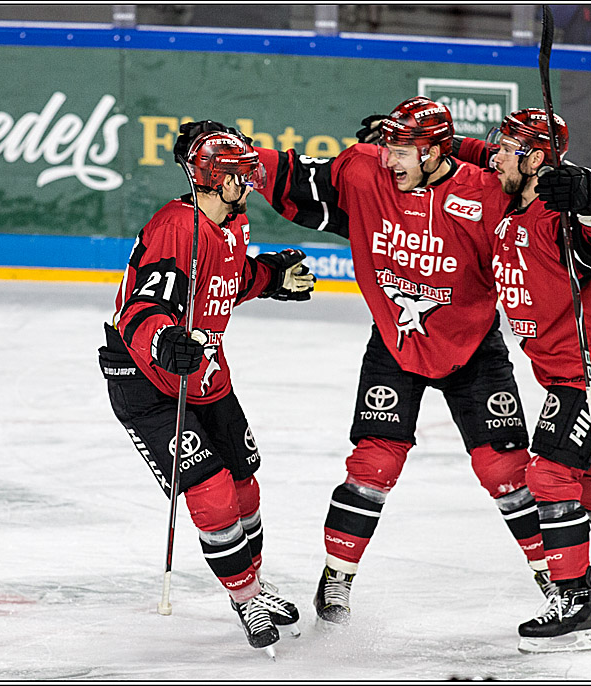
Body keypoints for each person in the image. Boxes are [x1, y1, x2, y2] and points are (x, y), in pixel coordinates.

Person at [220, 97, 552, 625]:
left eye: (404, 149)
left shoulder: (486, 193)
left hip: (472, 344)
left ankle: (553, 577)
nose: (390, 159)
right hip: (396, 341)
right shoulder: (363, 170)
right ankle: (335, 579)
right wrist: (234, 155)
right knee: (374, 464)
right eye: (388, 145)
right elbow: (293, 177)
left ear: (437, 150)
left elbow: (533, 200)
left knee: (506, 469)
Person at [454, 109, 591, 652]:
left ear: (533, 159)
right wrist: (434, 140)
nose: (495, 155)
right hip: (570, 371)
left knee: (549, 476)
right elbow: (472, 154)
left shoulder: (564, 211)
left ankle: (573, 601)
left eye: (506, 149)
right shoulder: (516, 196)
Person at [97, 127, 316, 653]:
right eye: (240, 173)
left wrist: (270, 279)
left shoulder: (232, 220)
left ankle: (256, 585)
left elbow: (227, 279)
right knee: (213, 494)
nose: (251, 179)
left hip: (206, 374)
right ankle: (244, 598)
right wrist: (164, 341)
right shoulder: (177, 227)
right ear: (215, 179)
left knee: (245, 486)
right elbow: (140, 309)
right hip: (149, 381)